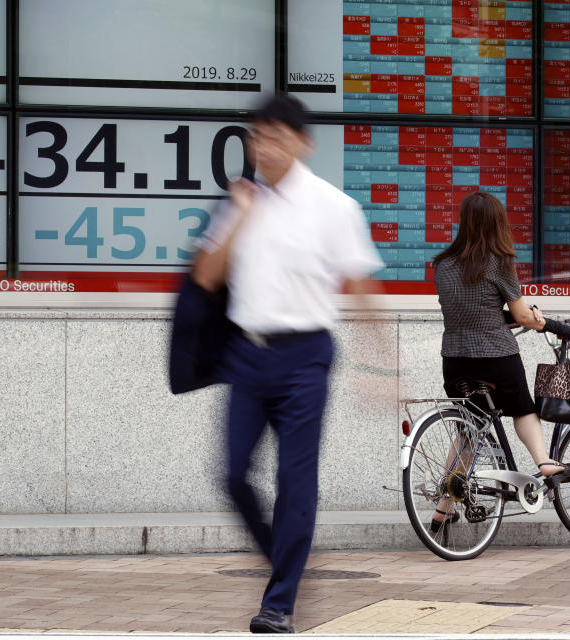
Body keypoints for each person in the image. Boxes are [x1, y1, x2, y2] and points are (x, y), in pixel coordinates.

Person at [191, 94, 383, 634]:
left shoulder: (333, 207)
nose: (264, 147)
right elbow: (206, 278)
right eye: (256, 137)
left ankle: (279, 603)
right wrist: (238, 217)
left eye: (275, 137)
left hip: (305, 358)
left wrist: (380, 370)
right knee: (231, 475)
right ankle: (285, 559)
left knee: (296, 481)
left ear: (303, 143)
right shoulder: (241, 201)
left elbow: (363, 288)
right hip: (248, 355)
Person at [431, 191, 570, 531]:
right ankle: (543, 463)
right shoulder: (498, 261)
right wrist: (558, 327)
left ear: (464, 222)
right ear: (497, 223)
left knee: (469, 431)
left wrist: (504, 317)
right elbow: (524, 316)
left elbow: (470, 310)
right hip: (496, 357)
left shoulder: (443, 265)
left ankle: (443, 508)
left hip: (455, 360)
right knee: (524, 409)